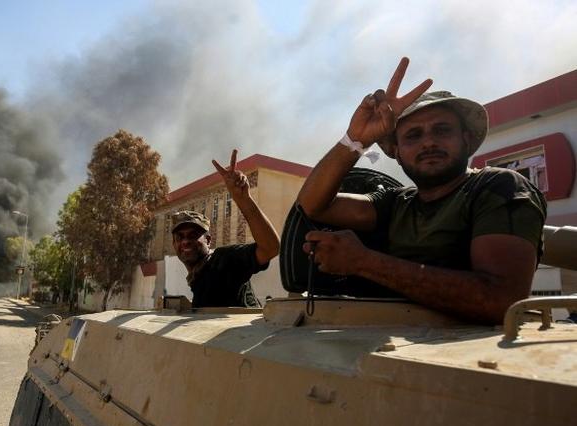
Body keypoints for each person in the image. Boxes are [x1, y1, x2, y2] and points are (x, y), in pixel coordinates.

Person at [296, 57, 546, 324]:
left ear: (466, 139)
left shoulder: (498, 186)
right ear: (397, 153)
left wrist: (363, 262)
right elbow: (313, 205)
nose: (428, 142)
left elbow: (501, 300)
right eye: (413, 135)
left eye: (442, 130)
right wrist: (355, 140)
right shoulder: (396, 203)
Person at [171, 149, 280, 308]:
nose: (186, 241)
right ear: (174, 245)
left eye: (193, 235)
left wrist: (243, 199)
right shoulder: (197, 277)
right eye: (180, 237)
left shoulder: (223, 261)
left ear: (208, 240)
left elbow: (270, 248)